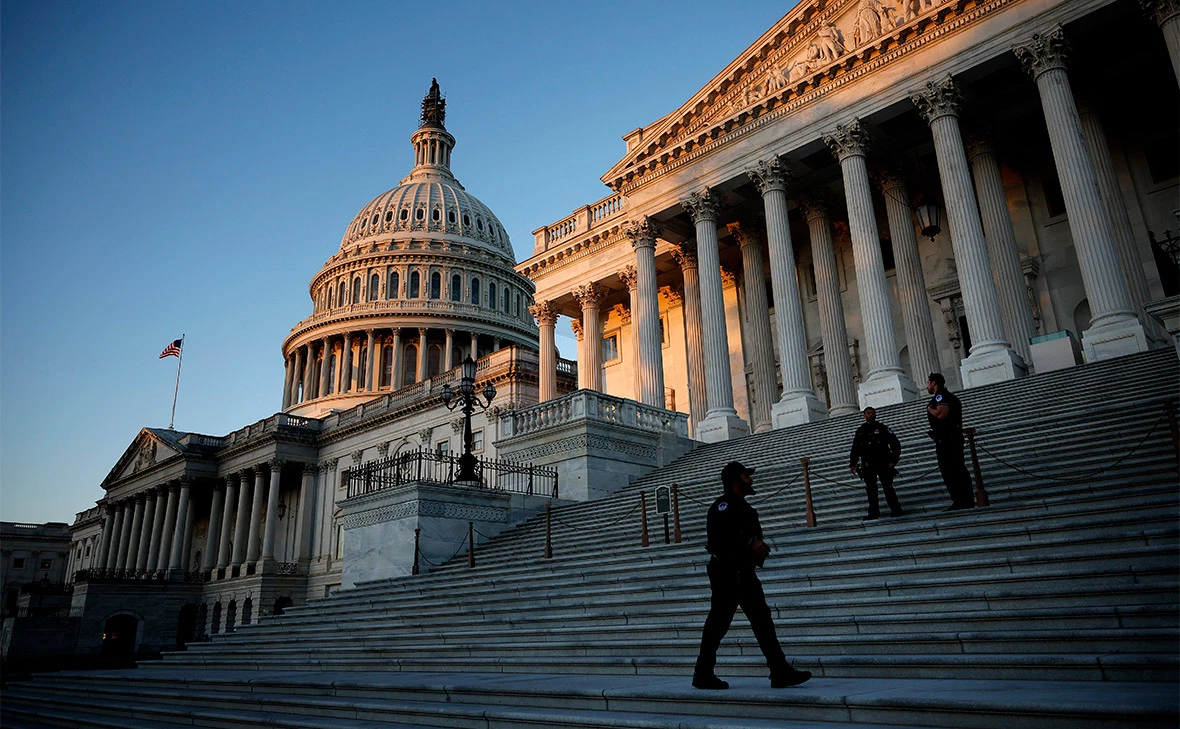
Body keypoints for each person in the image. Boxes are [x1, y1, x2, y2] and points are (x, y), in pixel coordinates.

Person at [693, 461, 812, 690]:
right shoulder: (724, 506)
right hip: (728, 572)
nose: (751, 479)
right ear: (736, 480)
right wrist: (750, 544)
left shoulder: (741, 506)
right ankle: (703, 673)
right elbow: (718, 541)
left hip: (742, 571)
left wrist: (755, 551)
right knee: (720, 623)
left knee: (760, 620)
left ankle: (779, 670)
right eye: (747, 476)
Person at [926, 373, 975, 510]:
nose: (928, 386)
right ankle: (965, 500)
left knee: (951, 470)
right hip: (950, 438)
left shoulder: (941, 396)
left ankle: (961, 500)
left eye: (928, 382)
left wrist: (929, 408)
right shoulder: (946, 396)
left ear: (934, 383)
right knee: (957, 469)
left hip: (947, 439)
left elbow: (941, 414)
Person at [849, 406, 903, 520]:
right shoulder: (860, 431)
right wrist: (852, 464)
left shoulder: (882, 428)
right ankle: (873, 512)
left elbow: (895, 444)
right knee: (871, 489)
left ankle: (896, 509)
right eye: (868, 413)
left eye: (873, 413)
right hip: (868, 464)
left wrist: (893, 460)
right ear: (864, 415)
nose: (871, 415)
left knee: (888, 487)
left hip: (883, 462)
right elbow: (855, 448)